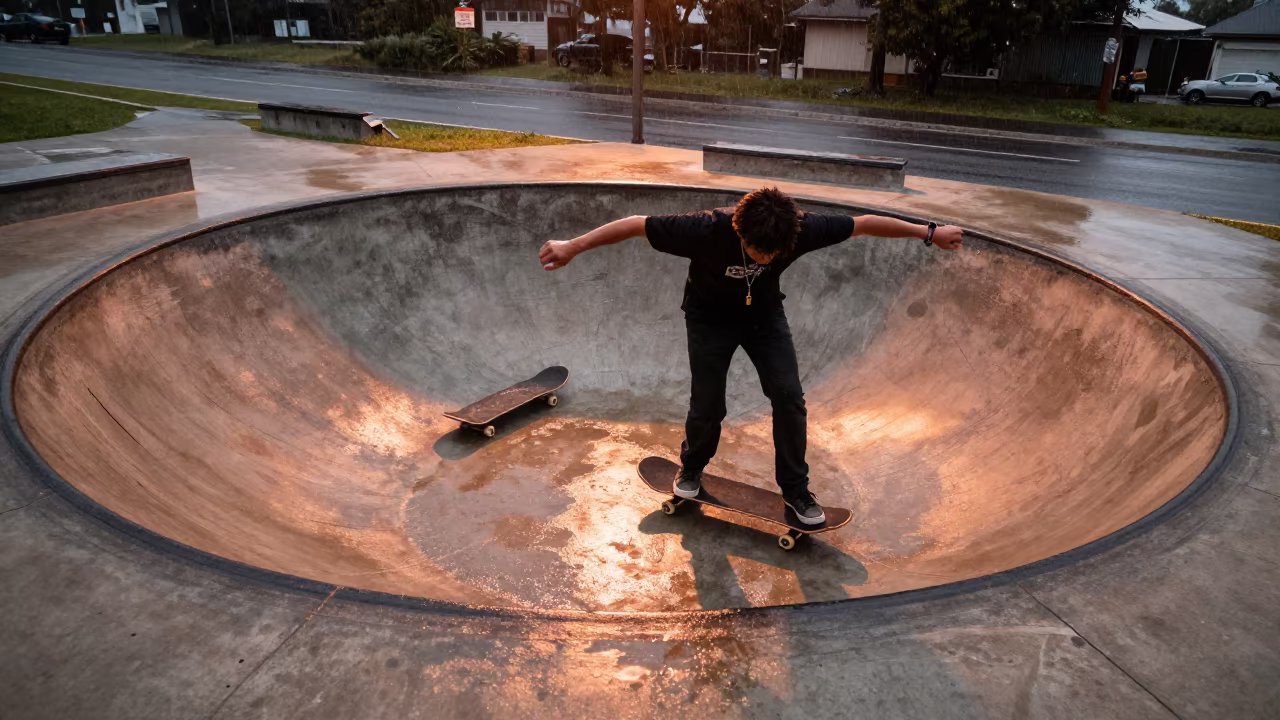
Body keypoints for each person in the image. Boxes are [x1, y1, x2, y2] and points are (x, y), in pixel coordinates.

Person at [538, 188, 963, 524]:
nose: (768, 258)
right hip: (707, 320)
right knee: (709, 404)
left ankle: (796, 491)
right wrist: (572, 246)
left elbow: (865, 224)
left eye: (775, 253)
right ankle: (690, 469)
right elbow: (634, 224)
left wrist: (929, 232)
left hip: (764, 320)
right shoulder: (704, 229)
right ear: (740, 232)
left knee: (789, 397)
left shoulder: (800, 229)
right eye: (760, 252)